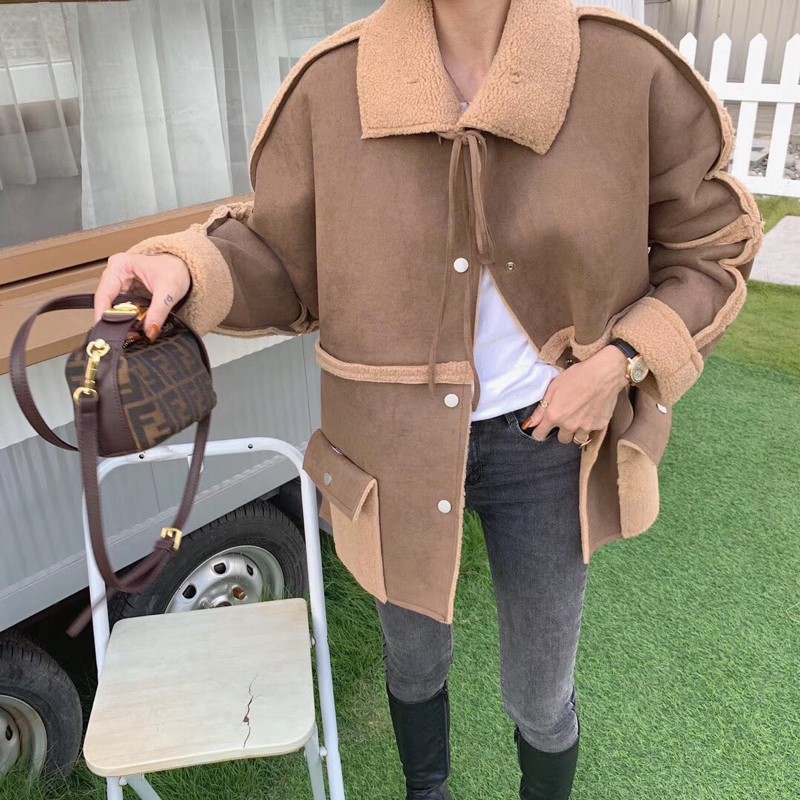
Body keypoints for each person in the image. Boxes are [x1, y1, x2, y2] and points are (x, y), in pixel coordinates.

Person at [93, 1, 764, 797]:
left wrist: (620, 363)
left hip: (551, 446)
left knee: (540, 690)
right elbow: (279, 254)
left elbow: (711, 250)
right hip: (390, 447)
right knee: (413, 659)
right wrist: (185, 266)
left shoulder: (624, 69)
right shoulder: (332, 85)